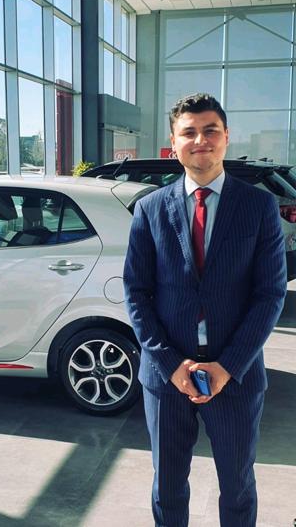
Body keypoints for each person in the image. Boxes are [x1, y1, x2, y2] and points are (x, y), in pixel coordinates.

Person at [123, 93, 287, 527]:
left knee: (237, 487)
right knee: (167, 486)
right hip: (167, 377)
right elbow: (136, 293)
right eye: (189, 132)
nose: (201, 140)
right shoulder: (150, 209)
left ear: (226, 137)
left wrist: (227, 366)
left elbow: (270, 294)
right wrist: (170, 363)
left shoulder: (258, 207)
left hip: (236, 375)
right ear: (173, 144)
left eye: (210, 130)